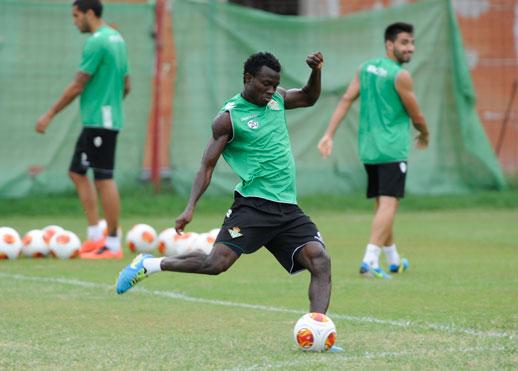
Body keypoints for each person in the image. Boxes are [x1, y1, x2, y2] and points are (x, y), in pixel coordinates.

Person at [116, 52, 335, 317]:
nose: (271, 90)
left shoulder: (277, 100)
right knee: (215, 263)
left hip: (287, 208)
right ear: (248, 78)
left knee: (320, 261)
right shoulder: (229, 118)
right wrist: (189, 207)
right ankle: (149, 264)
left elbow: (309, 97)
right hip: (253, 205)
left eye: (275, 84)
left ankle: (318, 327)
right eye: (265, 83)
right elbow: (207, 166)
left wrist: (317, 71)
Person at [318, 22, 429, 279]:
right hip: (392, 149)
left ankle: (393, 260)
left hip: (368, 148)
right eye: (404, 43)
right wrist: (425, 133)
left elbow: (346, 99)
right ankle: (370, 259)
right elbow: (416, 114)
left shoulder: (365, 68)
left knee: (383, 205)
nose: (410, 48)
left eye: (412, 42)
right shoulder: (400, 76)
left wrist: (329, 134)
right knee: (389, 204)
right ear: (389, 44)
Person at [36, 0, 129, 259]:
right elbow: (127, 84)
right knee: (77, 172)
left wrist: (49, 114)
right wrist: (111, 102)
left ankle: (111, 243)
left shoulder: (97, 41)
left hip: (101, 120)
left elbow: (78, 84)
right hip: (99, 120)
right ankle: (95, 235)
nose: (74, 21)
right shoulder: (116, 38)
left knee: (103, 177)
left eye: (76, 15)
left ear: (90, 13)